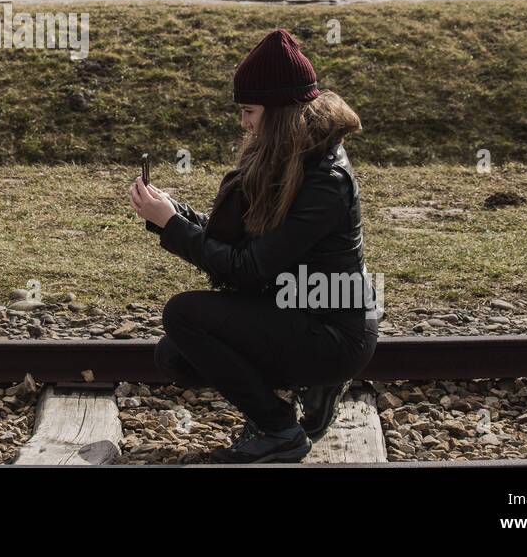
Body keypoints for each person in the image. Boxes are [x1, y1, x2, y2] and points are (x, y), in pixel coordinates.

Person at [129, 27, 379, 464]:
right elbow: (253, 240)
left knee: (183, 314)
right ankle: (297, 395)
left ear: (280, 109)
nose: (243, 122)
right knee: (175, 356)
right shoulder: (290, 154)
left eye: (249, 110)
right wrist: (177, 214)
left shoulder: (323, 181)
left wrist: (172, 227)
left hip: (334, 329)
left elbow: (248, 268)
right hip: (295, 307)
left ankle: (280, 429)